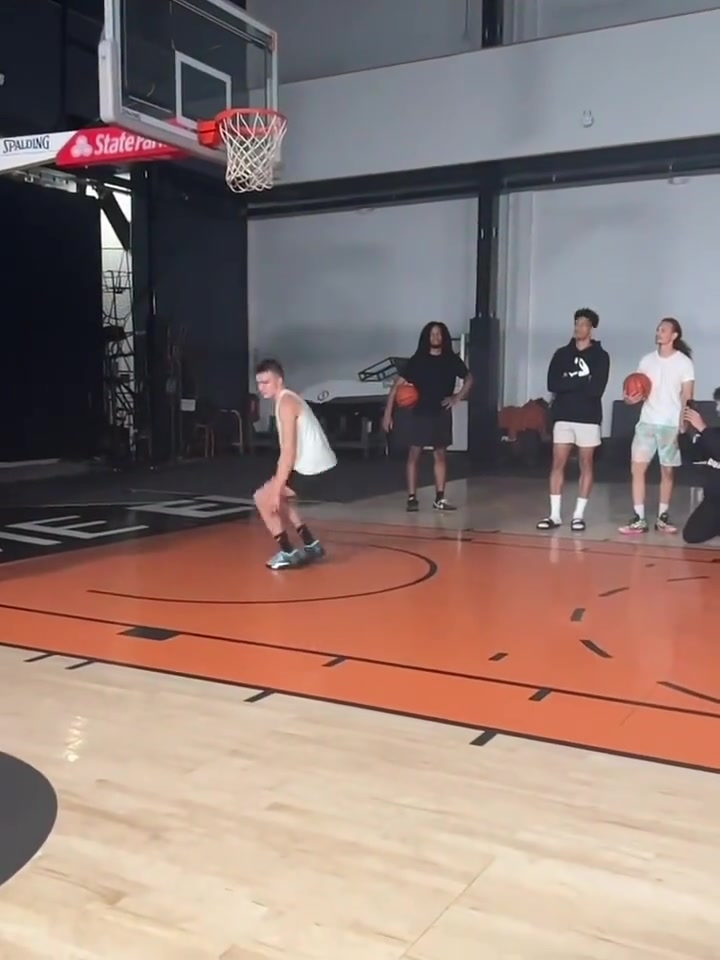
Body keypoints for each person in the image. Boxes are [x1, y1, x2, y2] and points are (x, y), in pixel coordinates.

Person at [253, 358, 337, 569]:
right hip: (317, 466)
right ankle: (311, 544)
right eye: (259, 383)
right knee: (279, 495)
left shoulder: (286, 404)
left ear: (279, 380)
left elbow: (288, 453)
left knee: (263, 498)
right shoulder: (286, 399)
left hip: (314, 470)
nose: (261, 387)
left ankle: (288, 552)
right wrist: (278, 486)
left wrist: (275, 490)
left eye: (266, 382)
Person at [382, 322, 473, 512]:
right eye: (432, 334)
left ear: (443, 337)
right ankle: (412, 498)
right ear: (427, 337)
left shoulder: (451, 360)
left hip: (441, 412)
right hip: (421, 413)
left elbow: (469, 378)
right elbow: (397, 387)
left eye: (439, 334)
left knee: (440, 455)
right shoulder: (418, 360)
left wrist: (457, 397)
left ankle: (440, 498)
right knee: (414, 454)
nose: (436, 337)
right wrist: (388, 413)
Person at [536, 308, 610, 532]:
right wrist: (581, 381)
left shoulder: (601, 356)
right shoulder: (561, 354)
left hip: (588, 418)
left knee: (586, 464)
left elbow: (596, 389)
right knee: (557, 463)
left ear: (591, 328)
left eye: (583, 324)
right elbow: (553, 384)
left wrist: (568, 382)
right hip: (563, 416)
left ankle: (578, 515)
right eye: (577, 323)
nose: (579, 328)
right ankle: (554, 514)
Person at [619, 318, 694, 535]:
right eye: (658, 329)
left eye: (663, 330)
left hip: (669, 424)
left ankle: (662, 518)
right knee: (637, 469)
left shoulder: (684, 363)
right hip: (646, 422)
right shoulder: (646, 361)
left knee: (667, 472)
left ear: (674, 335)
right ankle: (639, 518)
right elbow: (637, 391)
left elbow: (687, 396)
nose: (659, 332)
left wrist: (684, 422)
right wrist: (629, 399)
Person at [681, 393, 720, 544]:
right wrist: (683, 432)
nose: (717, 409)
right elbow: (694, 456)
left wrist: (703, 428)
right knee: (692, 534)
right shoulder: (715, 433)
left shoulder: (710, 433)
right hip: (714, 499)